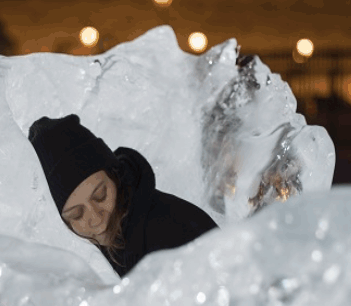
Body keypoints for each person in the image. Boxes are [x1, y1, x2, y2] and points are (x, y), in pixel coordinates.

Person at [29, 114, 218, 277]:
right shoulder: (81, 252)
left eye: (100, 195)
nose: (96, 219)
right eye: (77, 214)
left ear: (115, 176)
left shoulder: (172, 232)